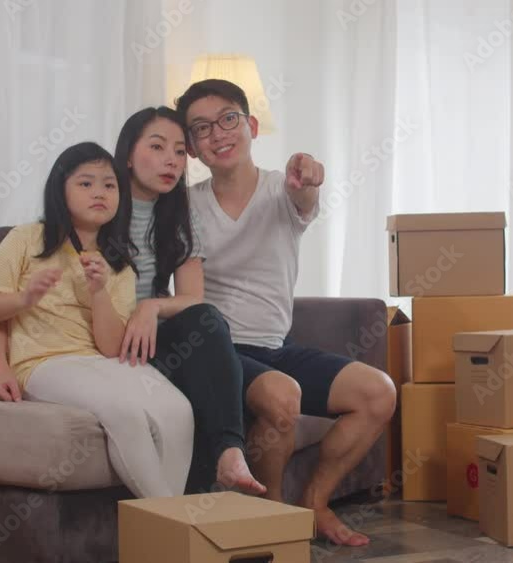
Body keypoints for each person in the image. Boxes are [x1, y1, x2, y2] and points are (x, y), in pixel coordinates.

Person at [175, 79, 397, 546]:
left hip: (276, 347)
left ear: (252, 126)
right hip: (219, 353)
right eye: (202, 128)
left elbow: (304, 197)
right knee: (281, 398)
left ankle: (313, 503)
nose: (218, 134)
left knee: (378, 392)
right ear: (192, 148)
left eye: (228, 119)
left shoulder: (283, 187)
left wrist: (308, 176)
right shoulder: (185, 205)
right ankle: (274, 523)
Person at [0, 141, 193, 499]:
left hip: (100, 361)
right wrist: (22, 304)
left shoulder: (118, 263)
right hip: (42, 363)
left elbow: (111, 348)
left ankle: (165, 522)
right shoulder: (27, 238)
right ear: (61, 190)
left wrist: (99, 291)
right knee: (124, 412)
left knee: (178, 410)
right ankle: (173, 522)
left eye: (109, 185)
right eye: (86, 183)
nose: (99, 193)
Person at [111, 106, 264, 496]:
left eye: (180, 151)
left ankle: (230, 453)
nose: (172, 161)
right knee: (204, 371)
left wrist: (151, 306)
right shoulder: (102, 203)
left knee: (206, 321)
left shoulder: (179, 215)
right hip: (107, 339)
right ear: (127, 154)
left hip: (154, 342)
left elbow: (193, 298)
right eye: (157, 147)